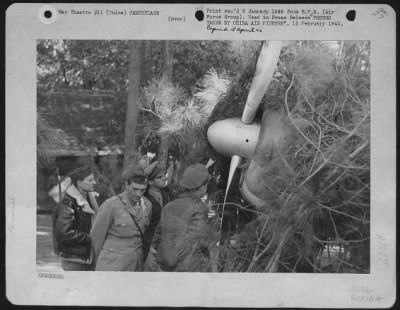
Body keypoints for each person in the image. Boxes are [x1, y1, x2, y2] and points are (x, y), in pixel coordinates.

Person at [152, 163, 214, 272]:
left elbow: (157, 239)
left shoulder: (168, 206)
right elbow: (199, 240)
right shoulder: (199, 207)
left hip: (165, 266)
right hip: (189, 269)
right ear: (201, 186)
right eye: (207, 184)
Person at [90, 167, 152, 271]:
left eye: (142, 190)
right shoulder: (111, 205)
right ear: (126, 185)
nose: (139, 194)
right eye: (135, 189)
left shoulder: (147, 205)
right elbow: (96, 237)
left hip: (136, 264)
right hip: (113, 264)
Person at [53, 166, 97, 271]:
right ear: (79, 183)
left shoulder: (90, 200)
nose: (94, 182)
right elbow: (64, 234)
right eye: (90, 180)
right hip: (74, 259)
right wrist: (91, 237)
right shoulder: (68, 204)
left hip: (87, 256)